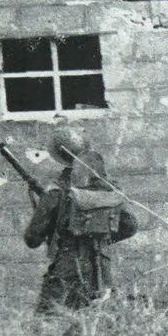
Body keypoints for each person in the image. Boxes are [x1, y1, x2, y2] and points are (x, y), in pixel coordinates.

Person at [24, 125, 138, 313]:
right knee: (99, 321)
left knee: (49, 323)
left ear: (57, 156)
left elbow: (32, 239)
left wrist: (57, 229)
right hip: (102, 266)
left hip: (67, 267)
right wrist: (99, 236)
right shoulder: (109, 188)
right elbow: (130, 226)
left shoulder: (56, 192)